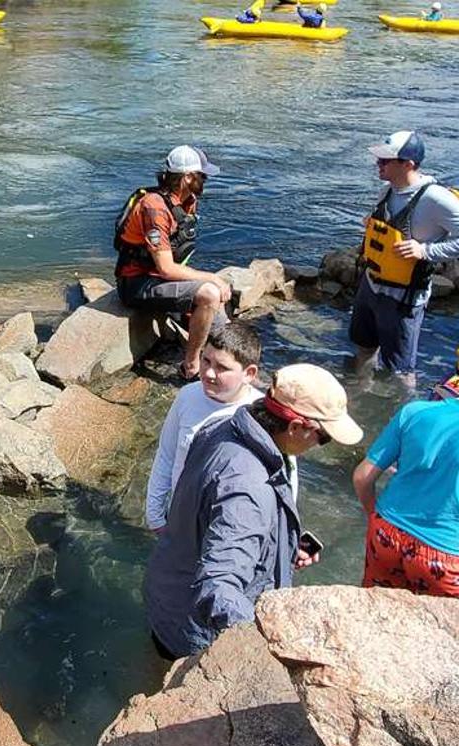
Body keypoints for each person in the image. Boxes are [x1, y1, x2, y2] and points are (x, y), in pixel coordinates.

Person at [145, 364, 362, 658]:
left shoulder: (222, 426)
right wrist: (272, 646)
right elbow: (219, 587)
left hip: (170, 590)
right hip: (193, 627)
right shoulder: (248, 488)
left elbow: (213, 512)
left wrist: (282, 545)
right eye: (323, 437)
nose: (321, 446)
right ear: (296, 427)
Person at [353, 342, 459, 606]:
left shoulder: (415, 412)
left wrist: (374, 516)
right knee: (456, 639)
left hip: (385, 533)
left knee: (376, 612)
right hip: (442, 557)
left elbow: (362, 477)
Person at [349, 130, 459, 392]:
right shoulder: (387, 191)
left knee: (400, 370)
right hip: (370, 286)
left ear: (408, 164)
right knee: (364, 347)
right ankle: (359, 397)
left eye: (385, 161)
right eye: (379, 159)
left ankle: (402, 412)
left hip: (403, 297)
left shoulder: (435, 198)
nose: (378, 165)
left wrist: (426, 251)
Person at [114, 145, 235, 380]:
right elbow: (166, 268)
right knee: (210, 293)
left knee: (227, 335)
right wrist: (210, 278)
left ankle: (224, 366)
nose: (206, 180)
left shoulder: (187, 201)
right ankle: (190, 367)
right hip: (136, 284)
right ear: (187, 177)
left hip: (162, 282)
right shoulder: (154, 208)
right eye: (203, 176)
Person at [144, 322, 263, 533]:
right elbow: (166, 455)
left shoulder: (262, 415)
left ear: (249, 373)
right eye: (205, 360)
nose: (208, 373)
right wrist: (155, 516)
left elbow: (282, 482)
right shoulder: (188, 396)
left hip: (230, 529)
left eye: (222, 368)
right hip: (182, 515)